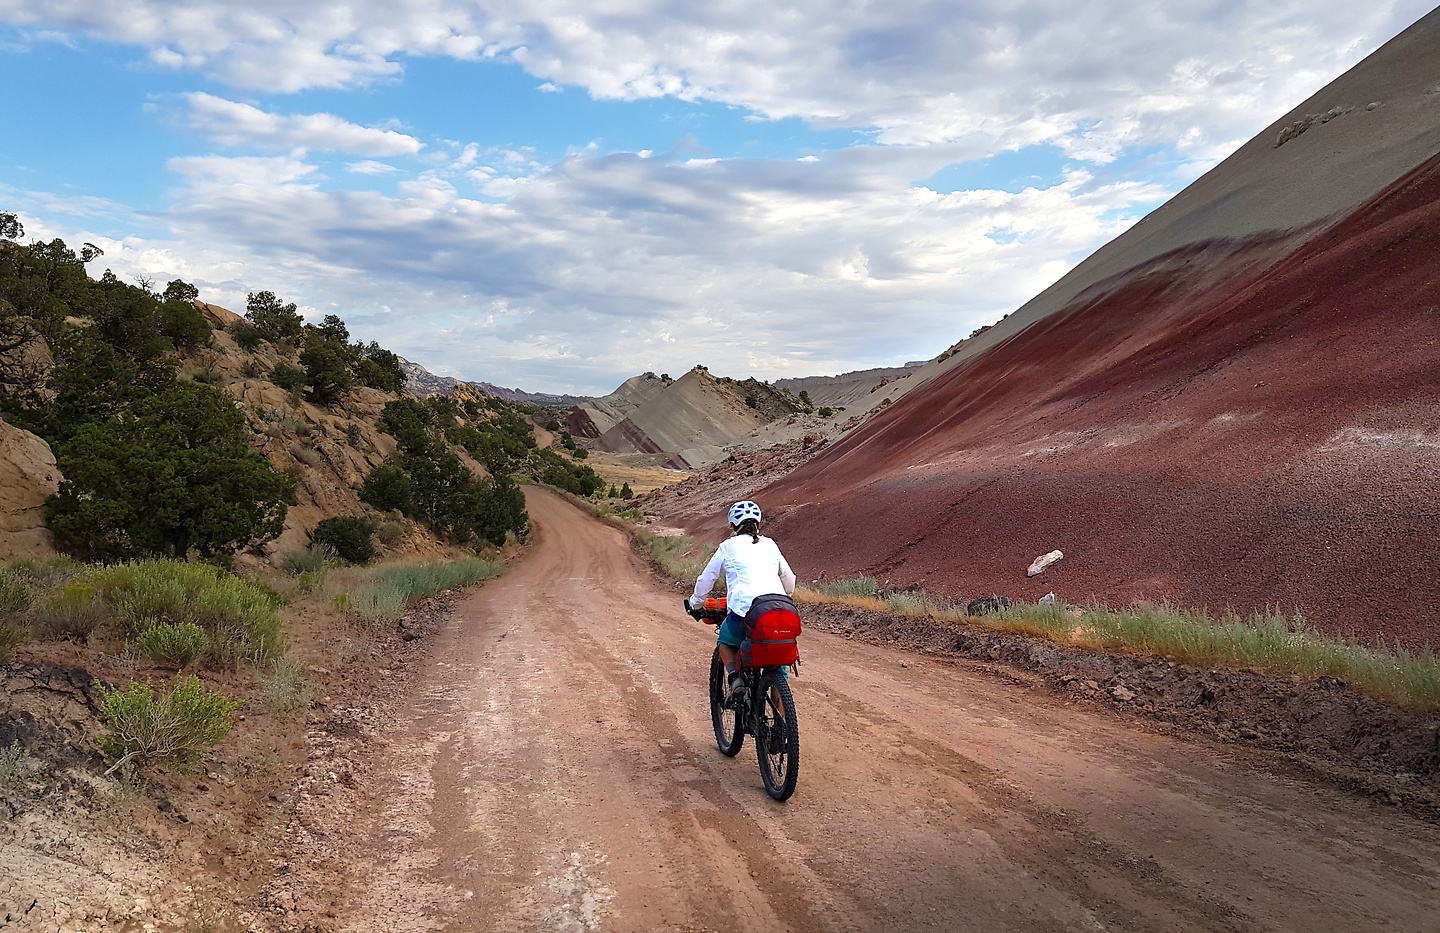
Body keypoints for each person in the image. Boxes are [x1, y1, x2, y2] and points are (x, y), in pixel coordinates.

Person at [689, 500, 797, 700]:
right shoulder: (770, 544)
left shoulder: (728, 546)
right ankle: (781, 727)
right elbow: (789, 580)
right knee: (778, 664)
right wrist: (784, 597)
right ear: (758, 523)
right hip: (779, 611)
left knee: (725, 641)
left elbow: (706, 579)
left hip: (745, 614)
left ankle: (734, 678)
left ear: (732, 526)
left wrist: (696, 603)